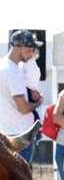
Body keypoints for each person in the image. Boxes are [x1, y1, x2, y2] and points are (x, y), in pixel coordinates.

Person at [0, 30, 43, 163]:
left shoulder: (3, 65)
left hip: (6, 131)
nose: (32, 53)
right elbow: (23, 108)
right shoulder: (12, 71)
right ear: (19, 47)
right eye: (30, 49)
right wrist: (38, 103)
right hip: (19, 135)